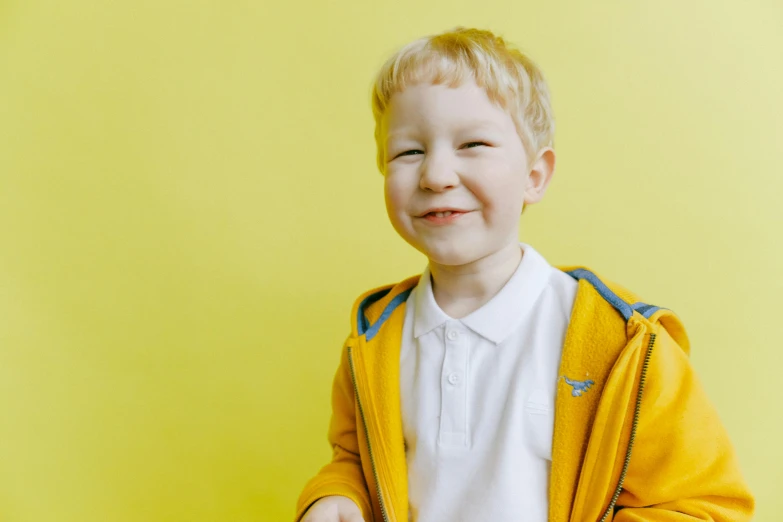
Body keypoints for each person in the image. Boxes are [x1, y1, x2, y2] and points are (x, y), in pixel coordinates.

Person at [294, 27, 754, 522]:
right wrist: (337, 497)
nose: (435, 175)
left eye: (472, 143)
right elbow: (356, 462)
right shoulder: (374, 338)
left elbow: (703, 505)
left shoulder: (625, 344)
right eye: (409, 151)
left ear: (535, 176)